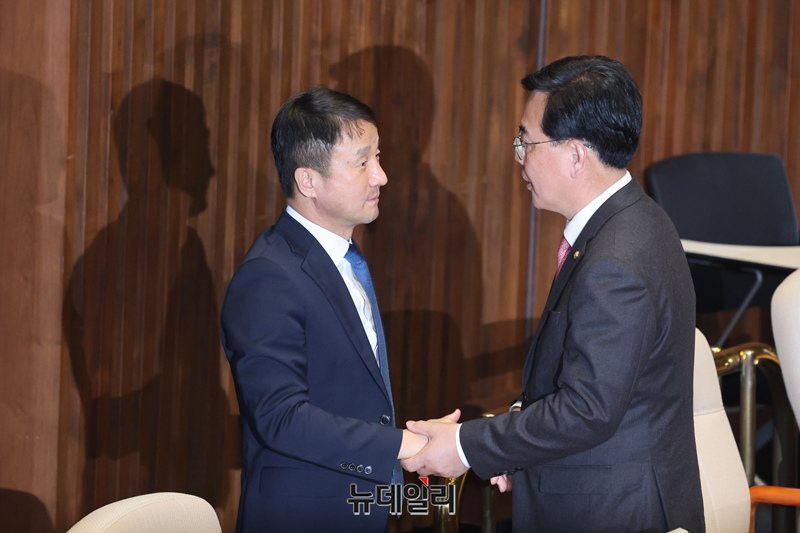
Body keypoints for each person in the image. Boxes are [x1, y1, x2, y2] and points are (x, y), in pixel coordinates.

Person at [402, 55, 705, 532]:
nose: (519, 156)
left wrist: (465, 445)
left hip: (612, 512)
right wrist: (510, 438)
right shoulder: (641, 219)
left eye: (526, 141)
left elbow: (587, 411)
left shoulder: (614, 261)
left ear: (576, 155)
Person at [221, 87, 427, 533]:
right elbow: (280, 418)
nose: (381, 176)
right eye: (362, 163)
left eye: (378, 157)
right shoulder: (268, 276)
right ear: (307, 181)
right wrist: (401, 445)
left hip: (356, 507)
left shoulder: (343, 258)